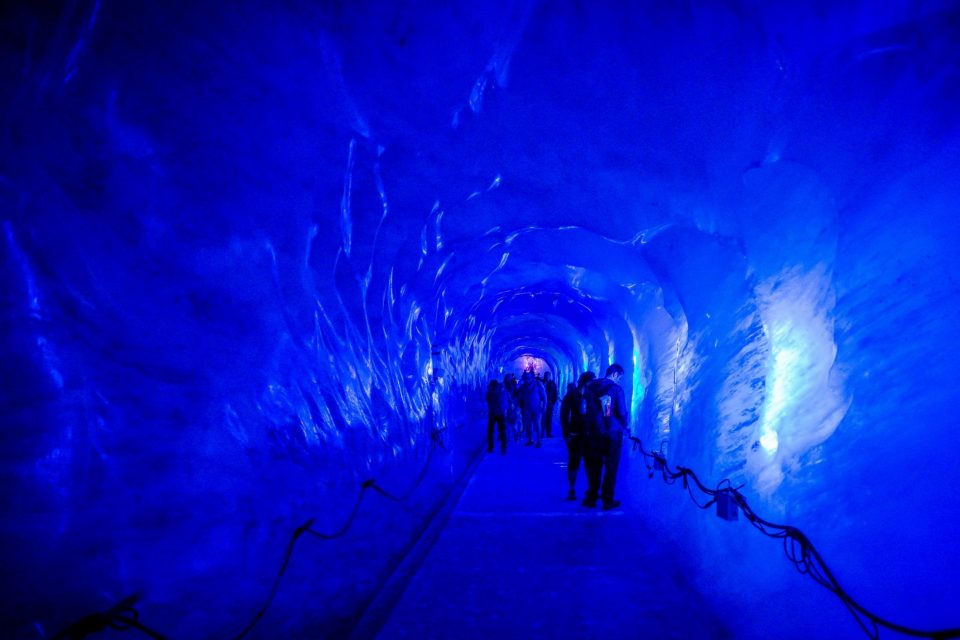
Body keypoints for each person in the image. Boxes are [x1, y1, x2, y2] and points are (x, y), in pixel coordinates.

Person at [582, 364, 629, 510]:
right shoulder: (616, 389)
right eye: (619, 377)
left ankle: (591, 497)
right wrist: (626, 426)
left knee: (594, 465)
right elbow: (621, 412)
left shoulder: (589, 388)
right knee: (611, 467)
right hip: (612, 433)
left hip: (594, 432)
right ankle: (607, 500)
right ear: (614, 374)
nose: (619, 380)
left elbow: (584, 408)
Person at [560, 372, 595, 500]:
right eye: (591, 381)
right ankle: (572, 488)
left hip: (589, 434)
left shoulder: (591, 395)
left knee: (589, 462)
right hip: (575, 433)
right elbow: (564, 415)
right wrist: (566, 433)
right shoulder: (571, 395)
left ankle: (591, 490)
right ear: (585, 381)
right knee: (574, 461)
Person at [518, 370, 546, 448]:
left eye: (528, 377)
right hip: (527, 409)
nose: (527, 379)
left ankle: (539, 441)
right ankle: (530, 440)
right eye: (525, 378)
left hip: (536, 409)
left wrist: (544, 407)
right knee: (528, 425)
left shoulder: (538, 384)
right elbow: (519, 397)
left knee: (537, 424)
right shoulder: (523, 386)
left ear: (532, 377)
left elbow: (544, 398)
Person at [486, 379, 509, 454]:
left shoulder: (491, 391)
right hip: (500, 413)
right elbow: (505, 400)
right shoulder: (502, 390)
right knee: (502, 430)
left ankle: (491, 447)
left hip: (493, 413)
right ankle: (504, 447)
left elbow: (488, 399)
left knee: (490, 431)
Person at [542, 371, 558, 438]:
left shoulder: (552, 384)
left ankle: (549, 433)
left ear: (550, 376)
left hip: (549, 403)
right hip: (542, 404)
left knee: (549, 418)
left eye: (548, 375)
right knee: (542, 418)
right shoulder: (541, 382)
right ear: (544, 376)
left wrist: (553, 402)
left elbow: (555, 393)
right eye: (546, 375)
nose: (547, 377)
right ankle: (541, 433)